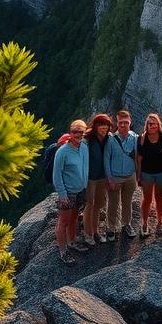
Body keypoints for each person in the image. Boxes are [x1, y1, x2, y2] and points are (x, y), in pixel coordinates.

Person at [53, 120, 90, 265]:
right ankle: (63, 251)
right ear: (70, 133)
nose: (78, 134)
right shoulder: (62, 152)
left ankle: (72, 241)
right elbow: (57, 176)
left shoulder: (84, 147)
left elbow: (85, 166)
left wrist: (85, 185)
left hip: (81, 189)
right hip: (68, 192)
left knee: (74, 217)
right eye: (75, 131)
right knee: (63, 222)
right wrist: (63, 195)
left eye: (81, 132)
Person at [104, 109, 138, 240]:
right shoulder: (111, 139)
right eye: (120, 122)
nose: (123, 125)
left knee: (127, 202)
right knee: (113, 203)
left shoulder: (134, 138)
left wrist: (138, 175)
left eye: (126, 122)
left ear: (130, 123)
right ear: (117, 123)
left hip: (130, 176)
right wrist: (109, 178)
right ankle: (111, 227)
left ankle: (126, 224)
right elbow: (106, 159)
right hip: (115, 176)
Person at [136, 113, 162, 237]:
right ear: (147, 125)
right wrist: (138, 176)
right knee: (147, 199)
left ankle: (160, 220)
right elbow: (139, 158)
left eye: (155, 123)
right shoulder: (142, 138)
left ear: (158, 124)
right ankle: (144, 223)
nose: (152, 126)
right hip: (147, 172)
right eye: (150, 124)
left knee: (159, 197)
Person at [83, 113, 112, 245]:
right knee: (90, 205)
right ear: (95, 126)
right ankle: (88, 234)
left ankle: (96, 232)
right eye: (101, 125)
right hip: (90, 178)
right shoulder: (88, 139)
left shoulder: (108, 139)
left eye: (106, 125)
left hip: (102, 177)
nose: (103, 127)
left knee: (98, 206)